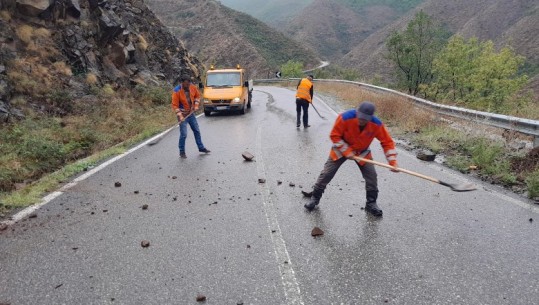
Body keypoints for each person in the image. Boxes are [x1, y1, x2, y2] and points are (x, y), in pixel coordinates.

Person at [304, 101, 398, 217]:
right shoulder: (345, 118)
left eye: (365, 119)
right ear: (357, 112)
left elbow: (387, 142)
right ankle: (315, 198)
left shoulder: (376, 124)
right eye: (360, 117)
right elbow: (334, 135)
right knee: (327, 173)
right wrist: (347, 151)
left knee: (371, 176)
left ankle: (371, 204)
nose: (362, 120)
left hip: (361, 151)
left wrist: (392, 161)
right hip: (341, 148)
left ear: (370, 118)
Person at [171, 75, 211, 158]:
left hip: (191, 113)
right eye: (186, 84)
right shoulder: (177, 91)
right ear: (182, 83)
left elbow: (197, 96)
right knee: (184, 134)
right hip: (182, 114)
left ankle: (201, 148)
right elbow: (175, 105)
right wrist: (180, 116)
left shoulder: (192, 87)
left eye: (188, 84)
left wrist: (196, 105)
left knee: (196, 130)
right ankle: (182, 152)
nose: (187, 86)